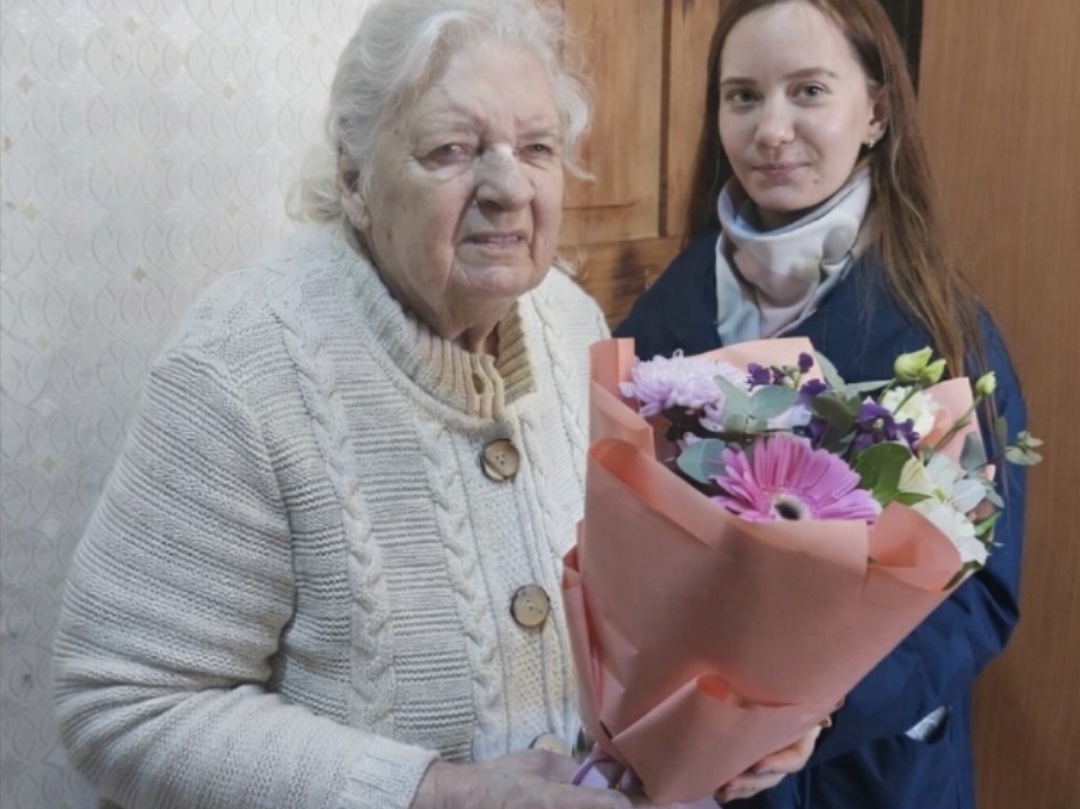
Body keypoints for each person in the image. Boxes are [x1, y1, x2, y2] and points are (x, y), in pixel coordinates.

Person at [51, 1, 816, 807]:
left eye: (538, 148)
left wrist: (732, 708)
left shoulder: (570, 320)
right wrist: (438, 792)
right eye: (452, 149)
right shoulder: (241, 365)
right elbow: (120, 705)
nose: (508, 187)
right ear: (354, 174)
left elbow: (619, 603)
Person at [615, 1, 1028, 808]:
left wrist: (826, 709)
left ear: (875, 111)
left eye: (808, 91)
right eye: (743, 96)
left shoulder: (944, 332)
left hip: (870, 769)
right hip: (698, 765)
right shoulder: (658, 320)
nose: (771, 129)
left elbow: (981, 594)